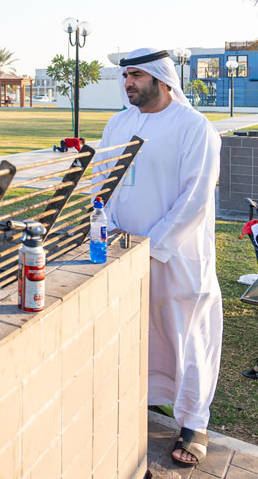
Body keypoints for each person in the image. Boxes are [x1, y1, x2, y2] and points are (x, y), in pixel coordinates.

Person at [93, 48, 222, 468]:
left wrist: (152, 246)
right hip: (123, 253)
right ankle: (139, 404)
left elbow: (195, 199)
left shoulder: (195, 127)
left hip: (177, 258)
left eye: (135, 75)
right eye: (125, 76)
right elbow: (103, 182)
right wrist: (109, 226)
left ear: (161, 78)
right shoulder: (118, 124)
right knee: (136, 334)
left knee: (186, 337)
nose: (127, 83)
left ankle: (193, 422)